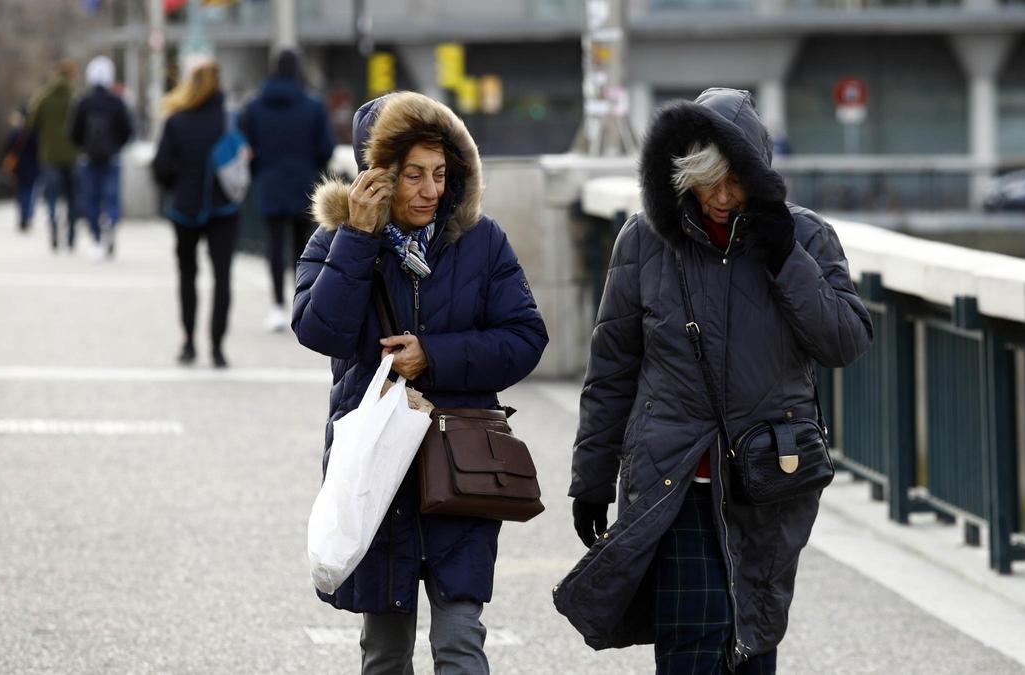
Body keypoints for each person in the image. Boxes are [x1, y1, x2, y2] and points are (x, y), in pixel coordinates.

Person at [565, 88, 873, 674]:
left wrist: (787, 260)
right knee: (689, 643)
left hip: (768, 479)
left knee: (752, 639)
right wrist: (592, 479)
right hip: (673, 481)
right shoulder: (643, 241)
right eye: (710, 181)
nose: (725, 197)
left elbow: (845, 342)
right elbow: (612, 371)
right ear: (683, 174)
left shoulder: (804, 238)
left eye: (738, 181)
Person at [293, 91, 548, 674]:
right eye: (413, 175)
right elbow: (318, 329)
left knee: (460, 642)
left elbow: (526, 337)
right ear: (376, 176)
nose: (431, 190)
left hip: (462, 461)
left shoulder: (482, 241)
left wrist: (432, 355)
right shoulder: (336, 242)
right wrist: (357, 240)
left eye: (440, 173)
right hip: (378, 470)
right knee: (384, 652)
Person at [239, 49, 335, 332]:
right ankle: (300, 303)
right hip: (304, 183)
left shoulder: (255, 107)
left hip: (269, 183)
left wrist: (260, 171)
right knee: (302, 247)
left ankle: (277, 306)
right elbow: (326, 148)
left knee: (273, 245)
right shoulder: (313, 106)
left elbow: (245, 146)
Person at [151, 59, 238, 368]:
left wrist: (177, 184)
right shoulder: (228, 119)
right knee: (222, 277)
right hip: (224, 207)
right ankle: (217, 346)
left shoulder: (176, 120)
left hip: (185, 208)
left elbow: (160, 168)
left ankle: (188, 341)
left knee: (187, 274)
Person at [70, 55, 133, 260]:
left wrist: (84, 147)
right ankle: (111, 222)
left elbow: (73, 131)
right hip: (112, 158)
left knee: (92, 199)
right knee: (112, 197)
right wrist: (117, 146)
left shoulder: (83, 102)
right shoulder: (117, 102)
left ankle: (97, 238)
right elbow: (128, 130)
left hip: (89, 158)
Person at [29, 60, 81, 251]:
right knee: (72, 197)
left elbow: (32, 125)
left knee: (51, 197)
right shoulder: (74, 97)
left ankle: (53, 228)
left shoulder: (43, 97)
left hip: (49, 156)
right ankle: (71, 235)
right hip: (72, 155)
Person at [4, 106, 40, 232]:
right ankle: (27, 215)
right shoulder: (33, 133)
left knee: (21, 193)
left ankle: (23, 215)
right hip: (31, 167)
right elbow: (38, 150)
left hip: (18, 167)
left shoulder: (15, 133)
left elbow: (8, 151)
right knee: (30, 193)